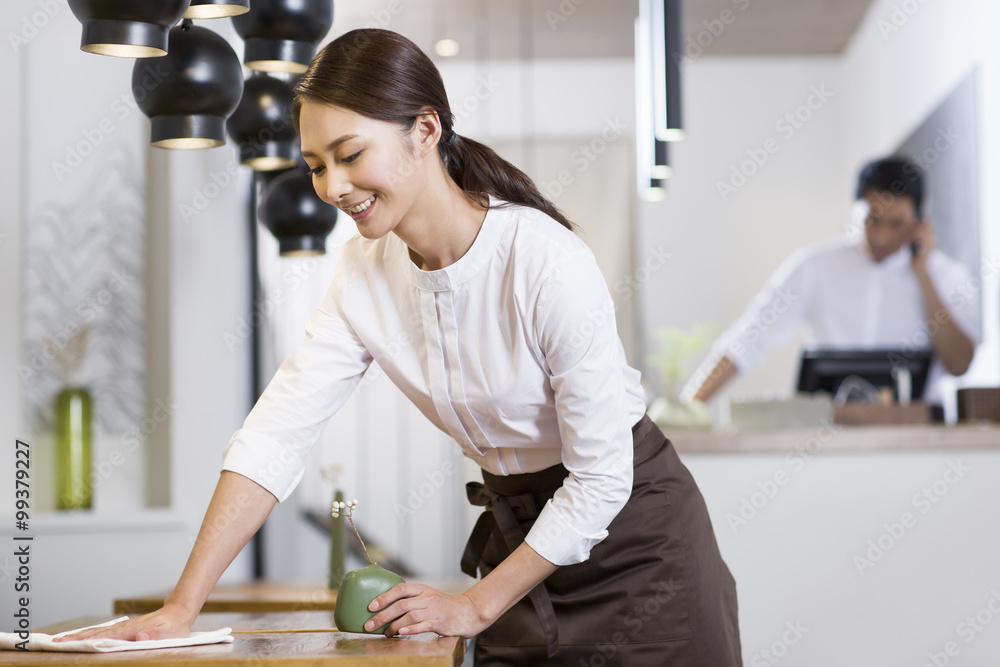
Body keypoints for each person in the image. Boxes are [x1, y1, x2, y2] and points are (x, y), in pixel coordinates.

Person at [57, 29, 742, 666]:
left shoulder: (542, 259)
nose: (332, 188)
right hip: (522, 553)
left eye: (351, 155)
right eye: (316, 165)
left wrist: (474, 604)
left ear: (425, 130)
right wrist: (183, 606)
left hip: (641, 551)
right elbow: (275, 434)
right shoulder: (362, 271)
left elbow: (601, 477)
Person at [684, 157, 980, 405]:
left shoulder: (945, 277)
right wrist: (687, 408)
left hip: (917, 440)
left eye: (896, 224)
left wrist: (923, 274)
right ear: (856, 209)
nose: (880, 235)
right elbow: (747, 338)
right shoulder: (815, 267)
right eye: (871, 219)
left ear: (919, 222)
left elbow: (959, 364)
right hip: (827, 441)